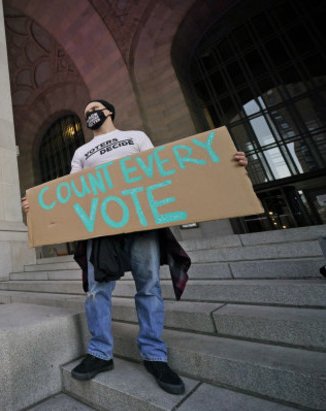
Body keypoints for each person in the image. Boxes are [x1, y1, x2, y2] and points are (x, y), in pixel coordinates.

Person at [22, 99, 248, 395]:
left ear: (109, 112)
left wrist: (223, 163)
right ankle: (100, 352)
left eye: (95, 109)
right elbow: (70, 194)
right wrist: (38, 206)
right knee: (96, 290)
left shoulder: (137, 137)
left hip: (141, 223)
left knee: (149, 286)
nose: (90, 114)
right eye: (86, 111)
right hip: (99, 227)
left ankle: (154, 354)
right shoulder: (80, 152)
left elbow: (165, 170)